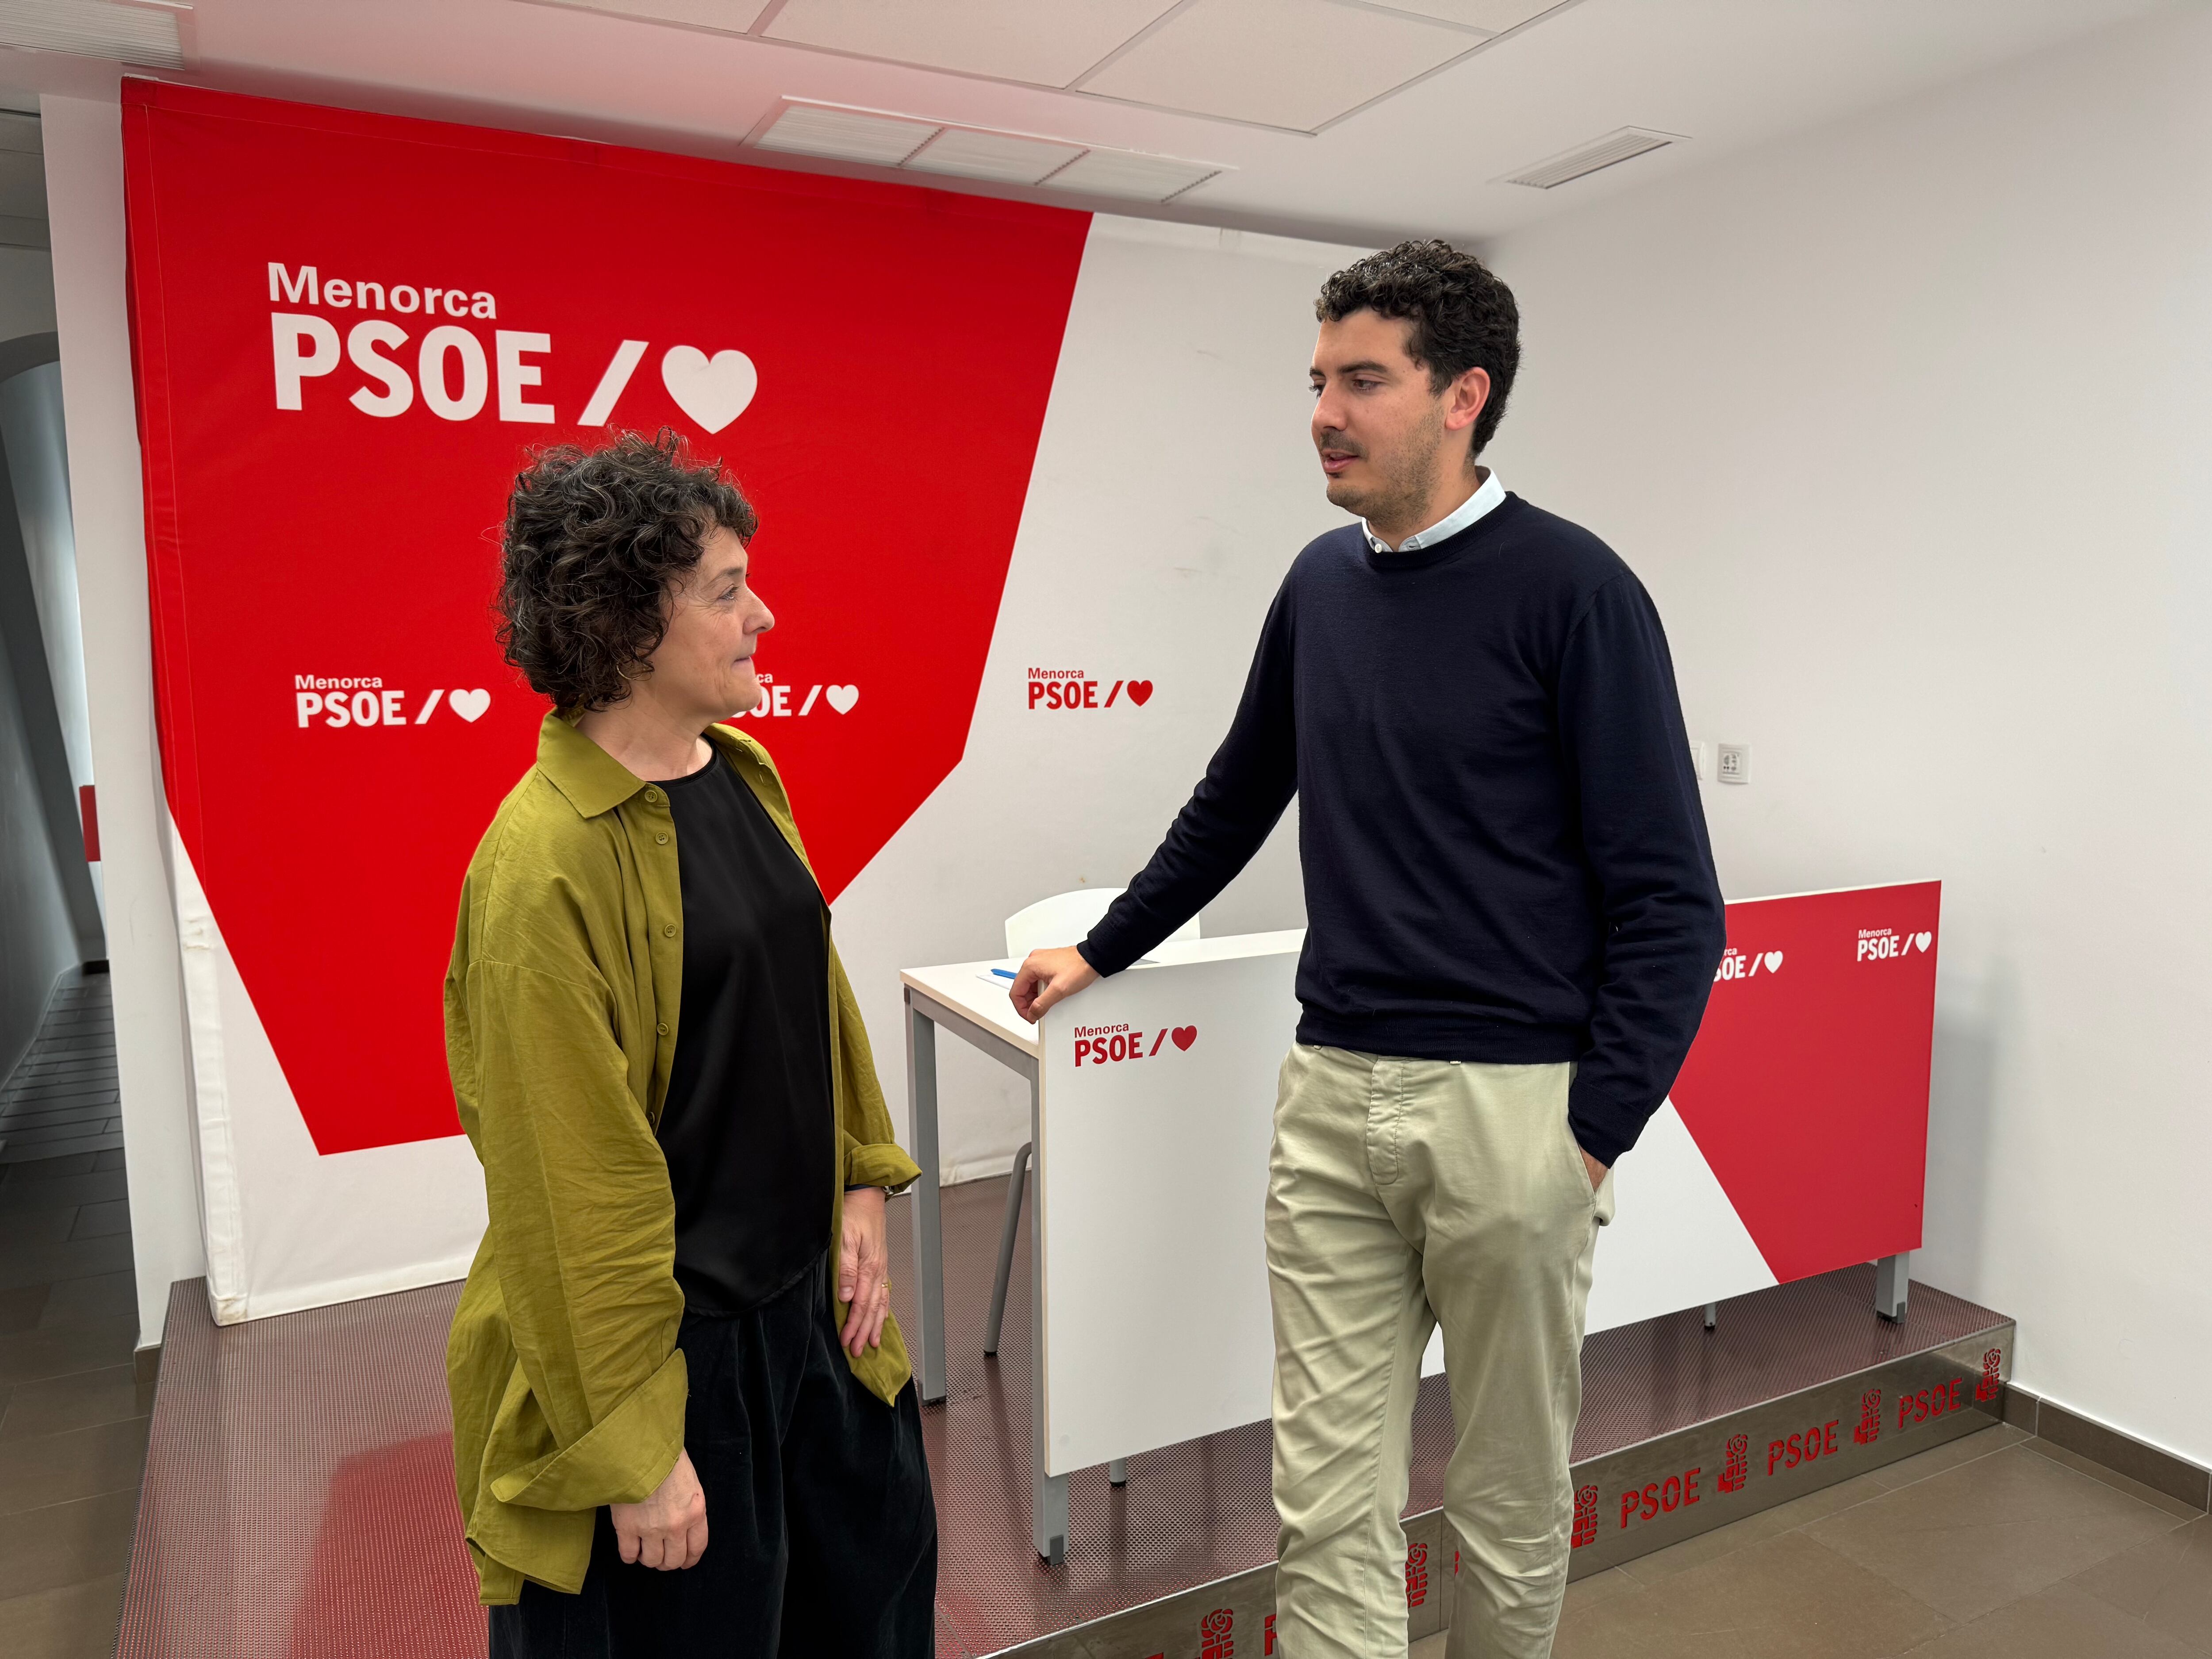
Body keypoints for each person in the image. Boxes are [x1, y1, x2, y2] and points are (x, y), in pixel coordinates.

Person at [1011, 242, 1725, 1657]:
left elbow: (1671, 902)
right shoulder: (1319, 584)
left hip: (1514, 1114)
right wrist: (1106, 946)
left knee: (1510, 1499)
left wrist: (1586, 1138)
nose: (1325, 413)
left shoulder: (1577, 591)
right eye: (1317, 381)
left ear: (1464, 397)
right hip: (1333, 1093)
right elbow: (1239, 790)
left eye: (1363, 381)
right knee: (1323, 1503)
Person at [443, 430, 937, 1657]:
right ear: (624, 625)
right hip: (678, 1362)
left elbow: (809, 997)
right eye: (725, 591)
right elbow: (571, 1193)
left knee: (866, 1610)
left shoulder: (740, 770)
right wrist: (634, 1449)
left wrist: (863, 1182)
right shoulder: (540, 867)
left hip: (810, 1320)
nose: (763, 614)